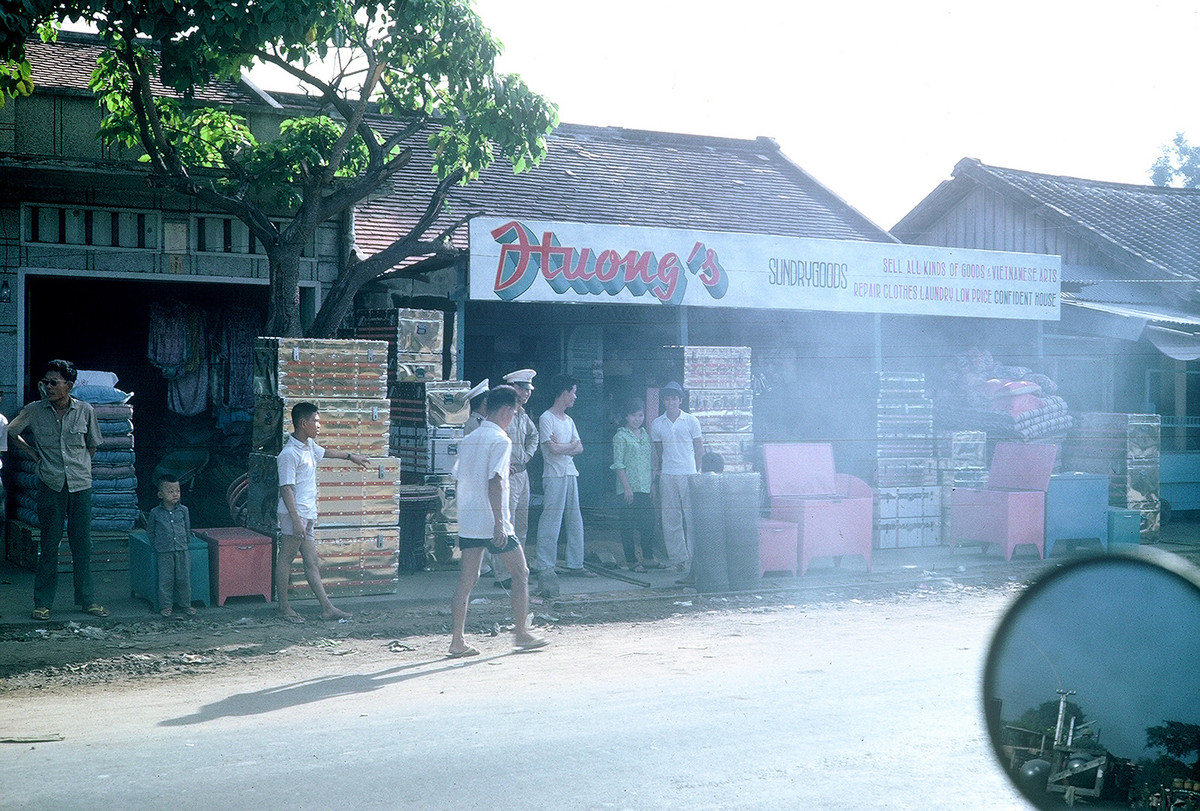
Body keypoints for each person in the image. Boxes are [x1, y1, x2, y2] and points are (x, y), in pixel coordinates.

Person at [448, 385, 548, 657]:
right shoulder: (501, 440)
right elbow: (495, 482)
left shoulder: (469, 439)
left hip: (470, 519)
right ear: (506, 410)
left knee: (467, 581)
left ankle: (457, 641)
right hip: (493, 521)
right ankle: (521, 633)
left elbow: (459, 479)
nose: (514, 418)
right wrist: (499, 523)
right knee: (521, 573)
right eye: (514, 413)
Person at [10, 360, 107, 621]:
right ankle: (43, 603)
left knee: (82, 544)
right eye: (46, 382)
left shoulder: (85, 410)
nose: (48, 387)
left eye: (54, 382)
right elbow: (12, 431)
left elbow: (92, 445)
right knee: (49, 545)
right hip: (51, 484)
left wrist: (81, 466)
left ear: (69, 386)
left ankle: (87, 600)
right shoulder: (34, 410)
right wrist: (33, 454)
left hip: (80, 486)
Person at [276, 401, 369, 622]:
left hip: (306, 514)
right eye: (315, 421)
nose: (319, 425)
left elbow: (326, 452)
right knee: (286, 559)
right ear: (303, 423)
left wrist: (351, 457)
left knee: (311, 562)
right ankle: (283, 608)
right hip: (295, 514)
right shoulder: (289, 454)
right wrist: (296, 520)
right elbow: (286, 489)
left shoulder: (308, 446)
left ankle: (327, 608)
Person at [534, 374, 592, 576]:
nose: (575, 397)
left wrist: (563, 446)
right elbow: (552, 449)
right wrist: (569, 446)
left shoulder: (569, 420)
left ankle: (576, 563)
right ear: (564, 393)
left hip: (570, 472)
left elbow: (579, 447)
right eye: (573, 392)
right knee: (551, 519)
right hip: (554, 474)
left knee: (575, 519)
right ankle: (545, 564)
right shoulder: (546, 418)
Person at [650, 381, 703, 577]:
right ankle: (678, 559)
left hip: (689, 473)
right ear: (663, 401)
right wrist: (661, 470)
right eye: (667, 399)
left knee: (692, 517)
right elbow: (659, 450)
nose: (671, 402)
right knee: (671, 518)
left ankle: (695, 559)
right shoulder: (657, 423)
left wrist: (697, 472)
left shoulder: (691, 421)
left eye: (674, 398)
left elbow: (699, 448)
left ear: (680, 400)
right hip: (668, 475)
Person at [498, 367, 539, 589]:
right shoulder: (504, 412)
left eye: (528, 390)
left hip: (523, 474)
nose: (526, 393)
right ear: (513, 388)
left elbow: (534, 435)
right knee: (507, 523)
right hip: (508, 476)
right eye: (523, 389)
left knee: (521, 525)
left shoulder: (522, 414)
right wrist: (504, 463)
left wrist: (528, 455)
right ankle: (503, 573)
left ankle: (518, 570)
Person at [610, 397, 662, 572]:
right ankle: (631, 561)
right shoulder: (620, 436)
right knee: (628, 525)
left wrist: (652, 484)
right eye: (633, 415)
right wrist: (626, 487)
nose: (637, 419)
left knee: (648, 522)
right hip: (628, 489)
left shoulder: (646, 435)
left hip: (645, 487)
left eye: (640, 415)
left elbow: (651, 461)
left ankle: (648, 558)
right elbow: (618, 464)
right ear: (626, 416)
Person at [148, 474, 194, 617]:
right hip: (164, 551)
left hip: (182, 549)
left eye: (178, 491)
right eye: (170, 491)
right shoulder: (155, 512)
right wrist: (157, 545)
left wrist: (185, 543)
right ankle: (166, 606)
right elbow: (150, 531)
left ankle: (186, 605)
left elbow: (187, 529)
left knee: (183, 579)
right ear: (160, 495)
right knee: (166, 580)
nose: (175, 494)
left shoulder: (184, 510)